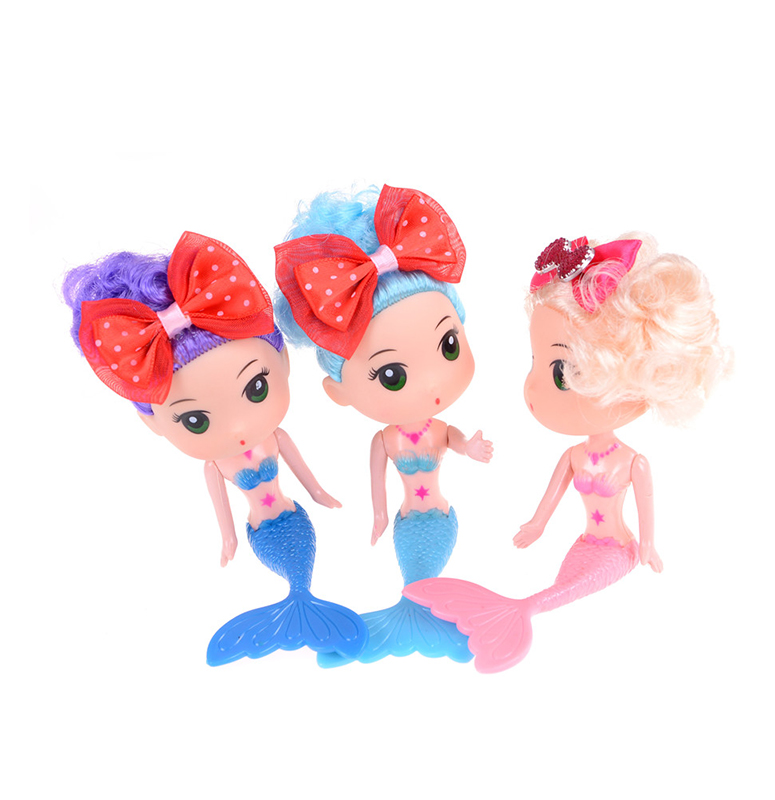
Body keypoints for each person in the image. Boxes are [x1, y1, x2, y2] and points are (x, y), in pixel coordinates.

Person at [404, 233, 729, 673]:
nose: (532, 389)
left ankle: (517, 612)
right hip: (583, 545)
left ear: (634, 381)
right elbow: (550, 499)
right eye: (535, 362)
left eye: (562, 372)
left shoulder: (633, 463)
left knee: (560, 594)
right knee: (557, 590)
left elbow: (645, 512)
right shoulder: (574, 456)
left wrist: (648, 546)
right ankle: (512, 610)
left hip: (618, 550)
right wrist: (536, 525)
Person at [63, 230, 367, 665]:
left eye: (256, 387)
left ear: (282, 361)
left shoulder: (275, 438)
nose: (239, 428)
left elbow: (306, 476)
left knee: (303, 574)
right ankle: (304, 612)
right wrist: (229, 539)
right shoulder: (216, 466)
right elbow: (223, 510)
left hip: (294, 517)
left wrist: (320, 494)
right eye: (196, 420)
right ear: (151, 422)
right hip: (261, 532)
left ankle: (305, 607)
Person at [275, 185, 493, 665]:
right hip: (406, 521)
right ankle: (416, 618)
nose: (432, 384)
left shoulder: (436, 429)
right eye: (392, 375)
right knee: (415, 578)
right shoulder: (385, 439)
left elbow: (456, 440)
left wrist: (471, 448)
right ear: (339, 391)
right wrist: (377, 516)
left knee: (425, 579)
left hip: (440, 518)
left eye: (449, 345)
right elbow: (377, 484)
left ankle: (425, 616)